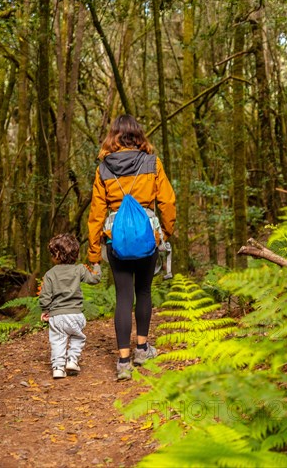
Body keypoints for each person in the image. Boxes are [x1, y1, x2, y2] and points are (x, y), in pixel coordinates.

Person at [87, 115, 176, 380]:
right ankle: (142, 349)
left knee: (123, 296)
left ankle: (123, 362)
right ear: (138, 135)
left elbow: (95, 214)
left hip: (117, 240)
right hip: (148, 238)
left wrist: (94, 254)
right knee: (144, 291)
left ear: (113, 136)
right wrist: (164, 234)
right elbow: (168, 202)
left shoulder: (103, 168)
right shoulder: (152, 162)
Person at [39, 233, 101, 379]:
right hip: (76, 315)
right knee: (78, 337)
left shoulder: (50, 274)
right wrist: (96, 265)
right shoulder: (79, 269)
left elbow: (45, 296)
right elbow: (94, 279)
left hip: (57, 316)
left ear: (56, 255)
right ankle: (72, 360)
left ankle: (58, 368)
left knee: (57, 341)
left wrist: (45, 310)